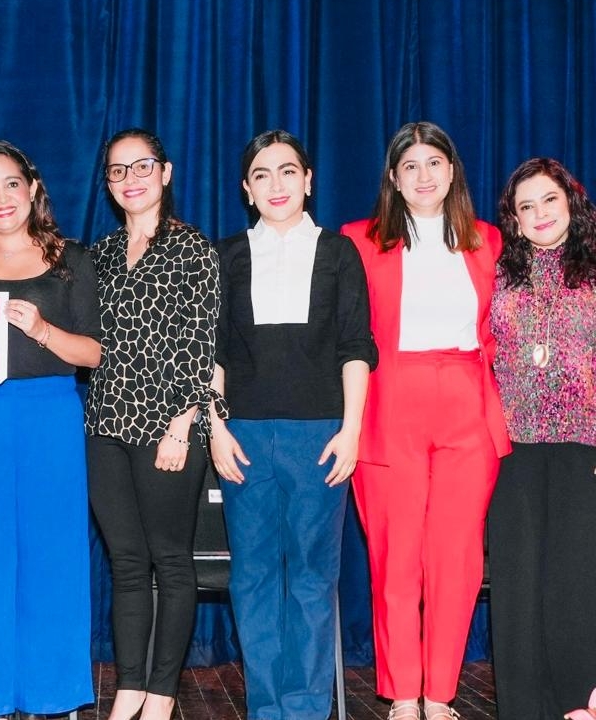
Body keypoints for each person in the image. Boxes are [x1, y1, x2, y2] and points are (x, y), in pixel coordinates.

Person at [340, 121, 509, 720]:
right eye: (409, 165)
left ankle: (440, 695)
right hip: (390, 404)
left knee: (457, 560)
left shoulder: (488, 240)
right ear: (392, 177)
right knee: (395, 557)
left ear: (452, 169)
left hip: (468, 404)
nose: (423, 175)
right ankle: (404, 694)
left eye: (433, 162)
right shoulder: (358, 241)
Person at [209, 130, 377, 719]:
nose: (275, 184)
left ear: (309, 180)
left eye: (287, 172)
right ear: (246, 189)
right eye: (261, 174)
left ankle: (305, 708)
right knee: (253, 578)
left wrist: (352, 430)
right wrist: (215, 427)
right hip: (244, 438)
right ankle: (265, 708)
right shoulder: (226, 256)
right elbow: (215, 353)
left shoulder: (338, 253)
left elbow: (356, 347)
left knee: (311, 576)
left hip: (320, 436)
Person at [0, 140, 99, 719]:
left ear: (33, 188)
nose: (1, 197)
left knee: (54, 554)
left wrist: (41, 329)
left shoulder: (72, 260)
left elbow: (94, 353)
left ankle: (54, 694)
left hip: (51, 415)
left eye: (11, 183)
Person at [85, 128, 219, 720]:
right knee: (127, 563)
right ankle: (130, 686)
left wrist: (182, 423)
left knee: (171, 559)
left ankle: (164, 691)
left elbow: (203, 344)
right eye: (117, 171)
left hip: (170, 426)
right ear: (109, 185)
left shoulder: (194, 249)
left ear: (165, 173)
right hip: (106, 424)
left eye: (142, 167)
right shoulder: (101, 255)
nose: (130, 179)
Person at [486, 157, 596, 720]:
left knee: (574, 585)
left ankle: (578, 705)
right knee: (516, 587)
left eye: (548, 200)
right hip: (512, 451)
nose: (539, 214)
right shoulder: (497, 272)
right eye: (525, 206)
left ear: (570, 201)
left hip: (586, 450)